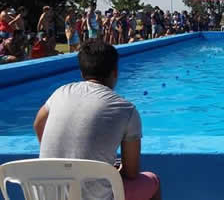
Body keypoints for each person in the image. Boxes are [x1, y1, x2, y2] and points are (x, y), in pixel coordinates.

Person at [33, 40, 161, 200]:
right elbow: (131, 172)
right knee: (153, 181)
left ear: (82, 73)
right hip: (96, 197)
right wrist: (109, 170)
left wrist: (57, 155)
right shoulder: (126, 110)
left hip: (47, 195)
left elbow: (38, 123)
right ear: (115, 72)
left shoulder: (60, 92)